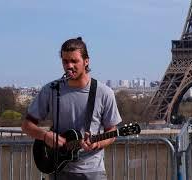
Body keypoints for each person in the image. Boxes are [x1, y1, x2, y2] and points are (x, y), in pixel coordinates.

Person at [21, 37, 122, 180]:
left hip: (92, 172)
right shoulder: (51, 89)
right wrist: (45, 136)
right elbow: (26, 125)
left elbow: (112, 131)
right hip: (58, 169)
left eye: (74, 61)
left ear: (86, 61)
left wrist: (97, 143)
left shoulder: (104, 93)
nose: (69, 65)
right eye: (65, 61)